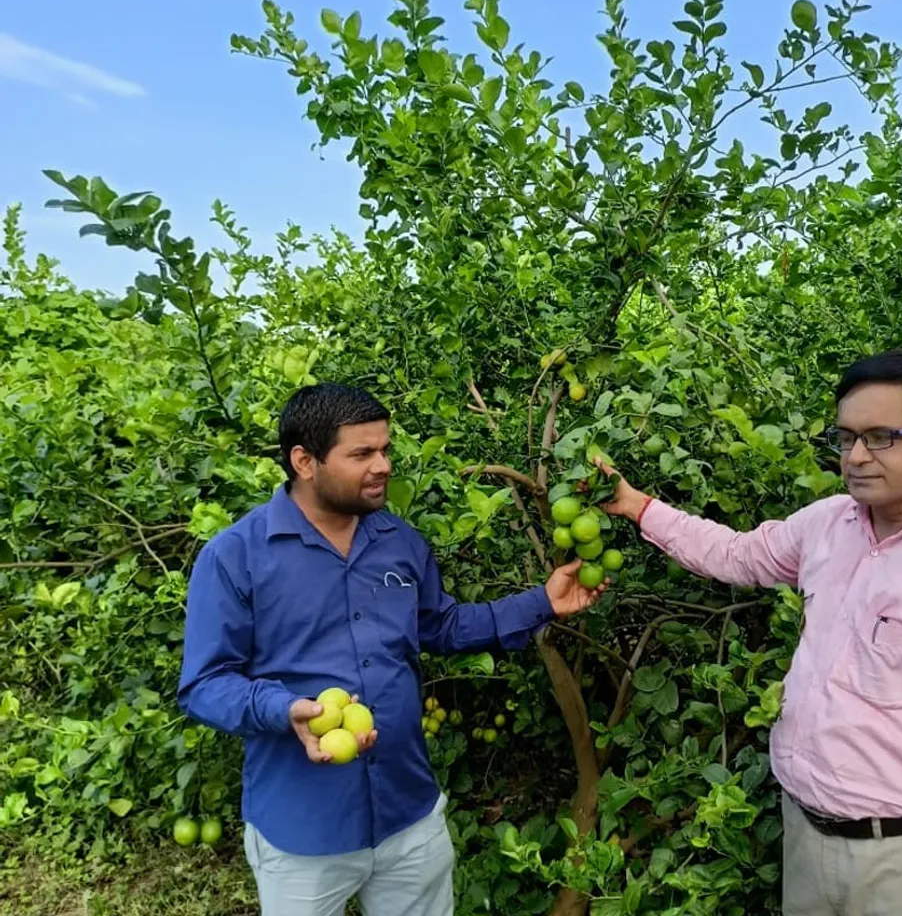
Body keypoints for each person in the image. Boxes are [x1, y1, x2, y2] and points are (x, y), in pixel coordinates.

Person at [596, 349, 902, 916]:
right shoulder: (827, 525)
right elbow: (738, 555)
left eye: (881, 437)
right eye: (846, 439)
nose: (858, 456)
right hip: (807, 840)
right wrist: (638, 506)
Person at [177, 382, 607, 916]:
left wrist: (542, 602)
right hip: (302, 826)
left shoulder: (400, 543)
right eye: (362, 454)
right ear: (304, 461)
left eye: (385, 450)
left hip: (409, 814)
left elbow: (443, 626)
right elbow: (205, 684)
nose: (382, 465)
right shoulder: (235, 557)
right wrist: (282, 710)